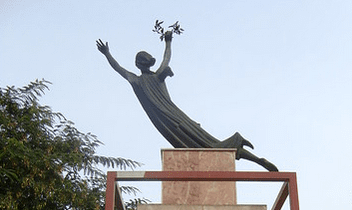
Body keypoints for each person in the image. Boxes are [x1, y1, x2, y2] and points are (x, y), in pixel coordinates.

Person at [96, 33, 278, 172]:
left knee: (209, 146)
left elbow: (119, 68)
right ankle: (257, 159)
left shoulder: (138, 80)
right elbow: (165, 58)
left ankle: (255, 158)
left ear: (138, 64)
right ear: (148, 63)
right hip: (176, 119)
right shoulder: (153, 76)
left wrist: (107, 54)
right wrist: (168, 42)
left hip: (173, 122)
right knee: (210, 145)